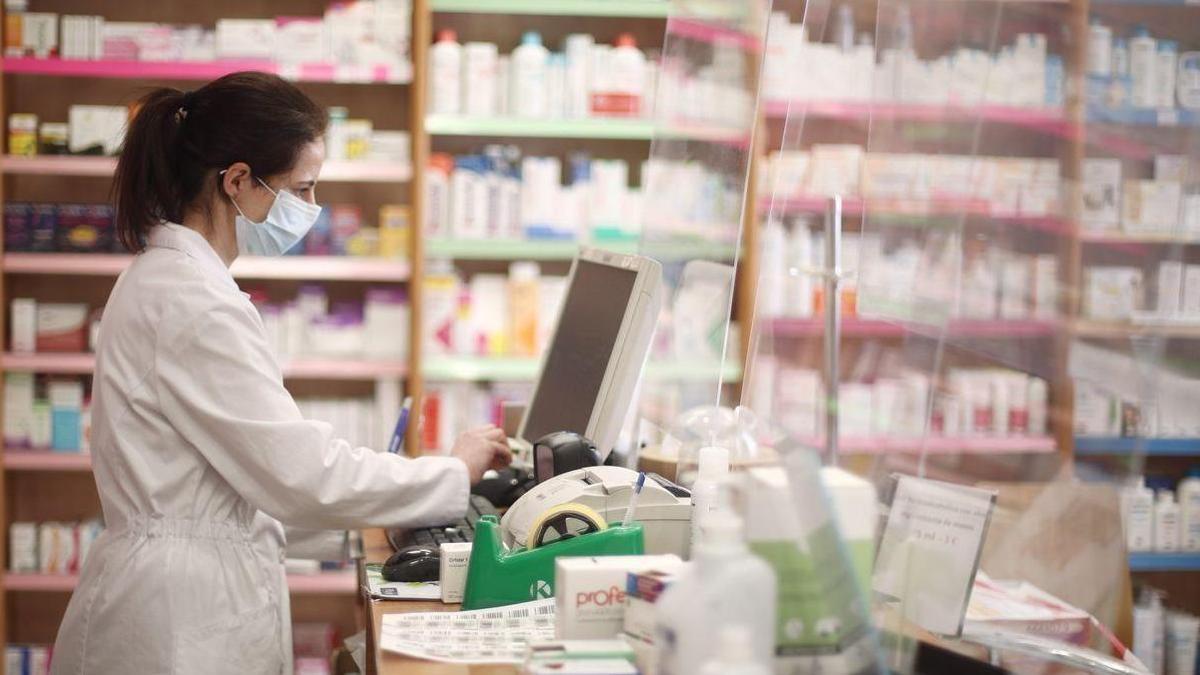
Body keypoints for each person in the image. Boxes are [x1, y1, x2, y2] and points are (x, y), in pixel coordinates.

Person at [50, 72, 512, 674]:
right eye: (302, 188)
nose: (311, 211)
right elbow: (298, 474)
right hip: (175, 627)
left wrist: (371, 522)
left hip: (182, 594)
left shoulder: (176, 281)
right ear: (238, 181)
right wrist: (451, 473)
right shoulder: (192, 302)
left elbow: (234, 489)